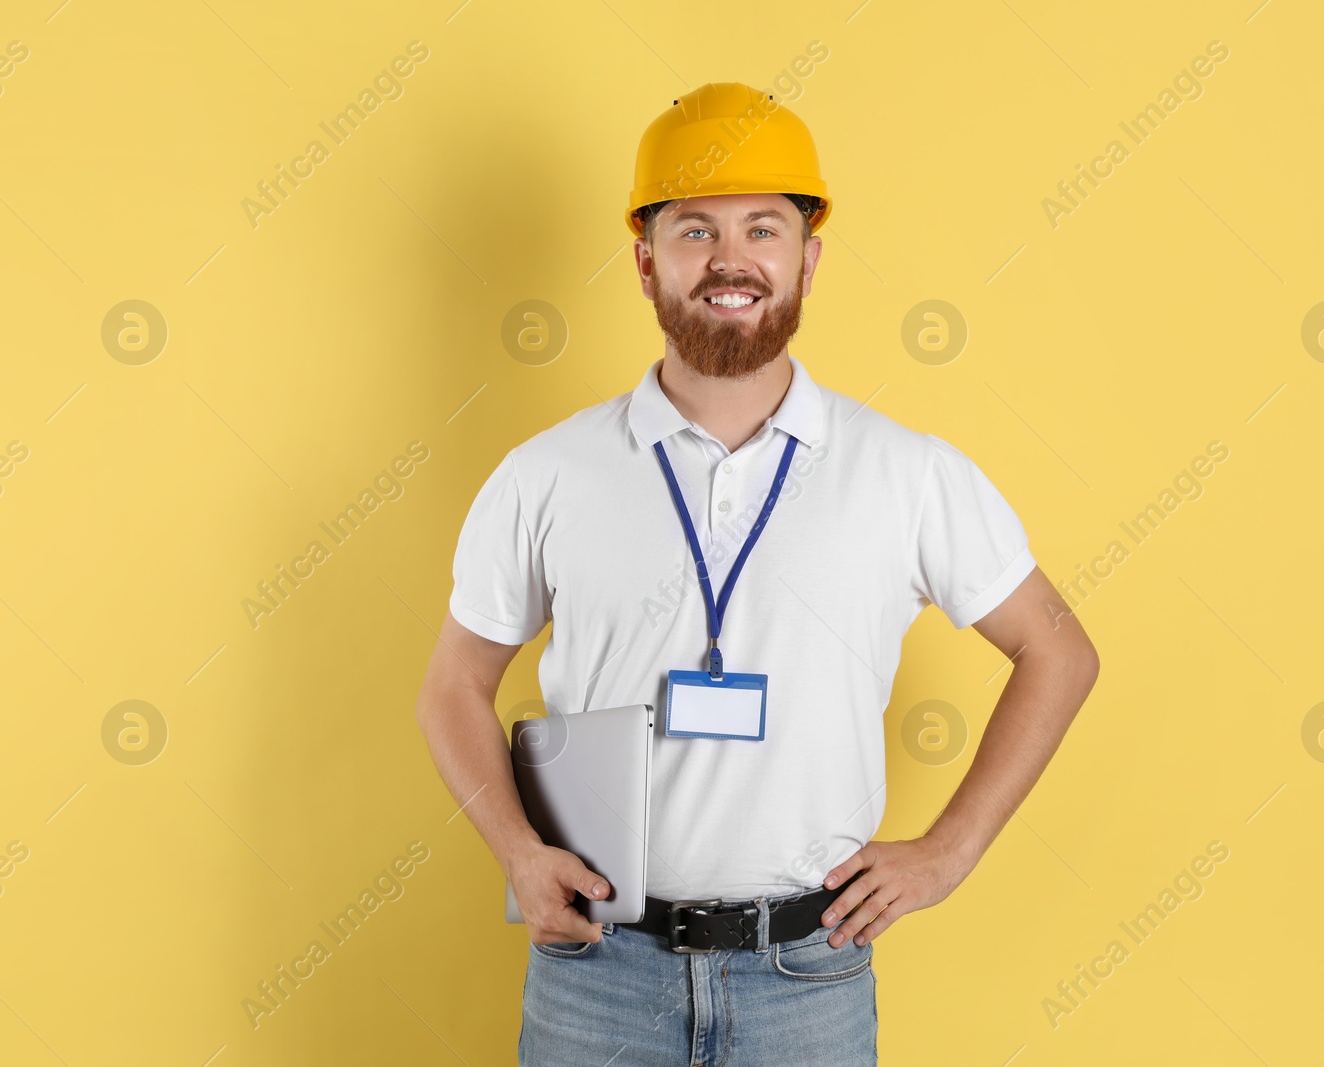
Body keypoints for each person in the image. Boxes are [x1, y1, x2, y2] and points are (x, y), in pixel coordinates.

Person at [415, 82, 1100, 1066]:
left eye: (763, 229)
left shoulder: (905, 470)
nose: (730, 260)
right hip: (597, 974)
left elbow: (1057, 650)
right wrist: (518, 855)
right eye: (694, 229)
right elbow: (450, 684)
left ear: (806, 259)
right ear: (645, 260)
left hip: (807, 977)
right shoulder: (547, 472)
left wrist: (949, 850)